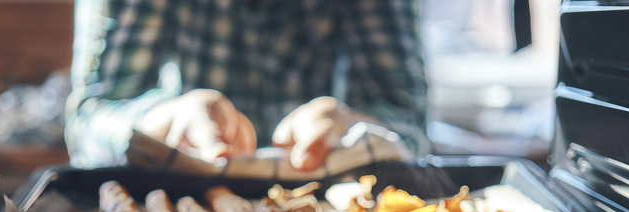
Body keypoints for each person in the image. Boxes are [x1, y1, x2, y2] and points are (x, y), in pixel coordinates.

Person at [65, 0, 429, 172]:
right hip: (179, 196)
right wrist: (159, 121)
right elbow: (90, 118)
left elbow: (408, 124)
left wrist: (352, 123)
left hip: (330, 210)